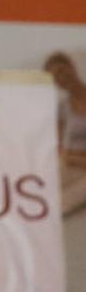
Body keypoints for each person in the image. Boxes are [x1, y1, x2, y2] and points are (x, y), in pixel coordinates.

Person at [44, 52, 86, 216]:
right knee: (44, 192)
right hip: (70, 163)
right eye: (56, 77)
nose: (62, 78)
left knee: (62, 205)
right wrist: (68, 157)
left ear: (71, 67)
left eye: (62, 71)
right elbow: (58, 144)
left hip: (79, 162)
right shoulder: (63, 108)